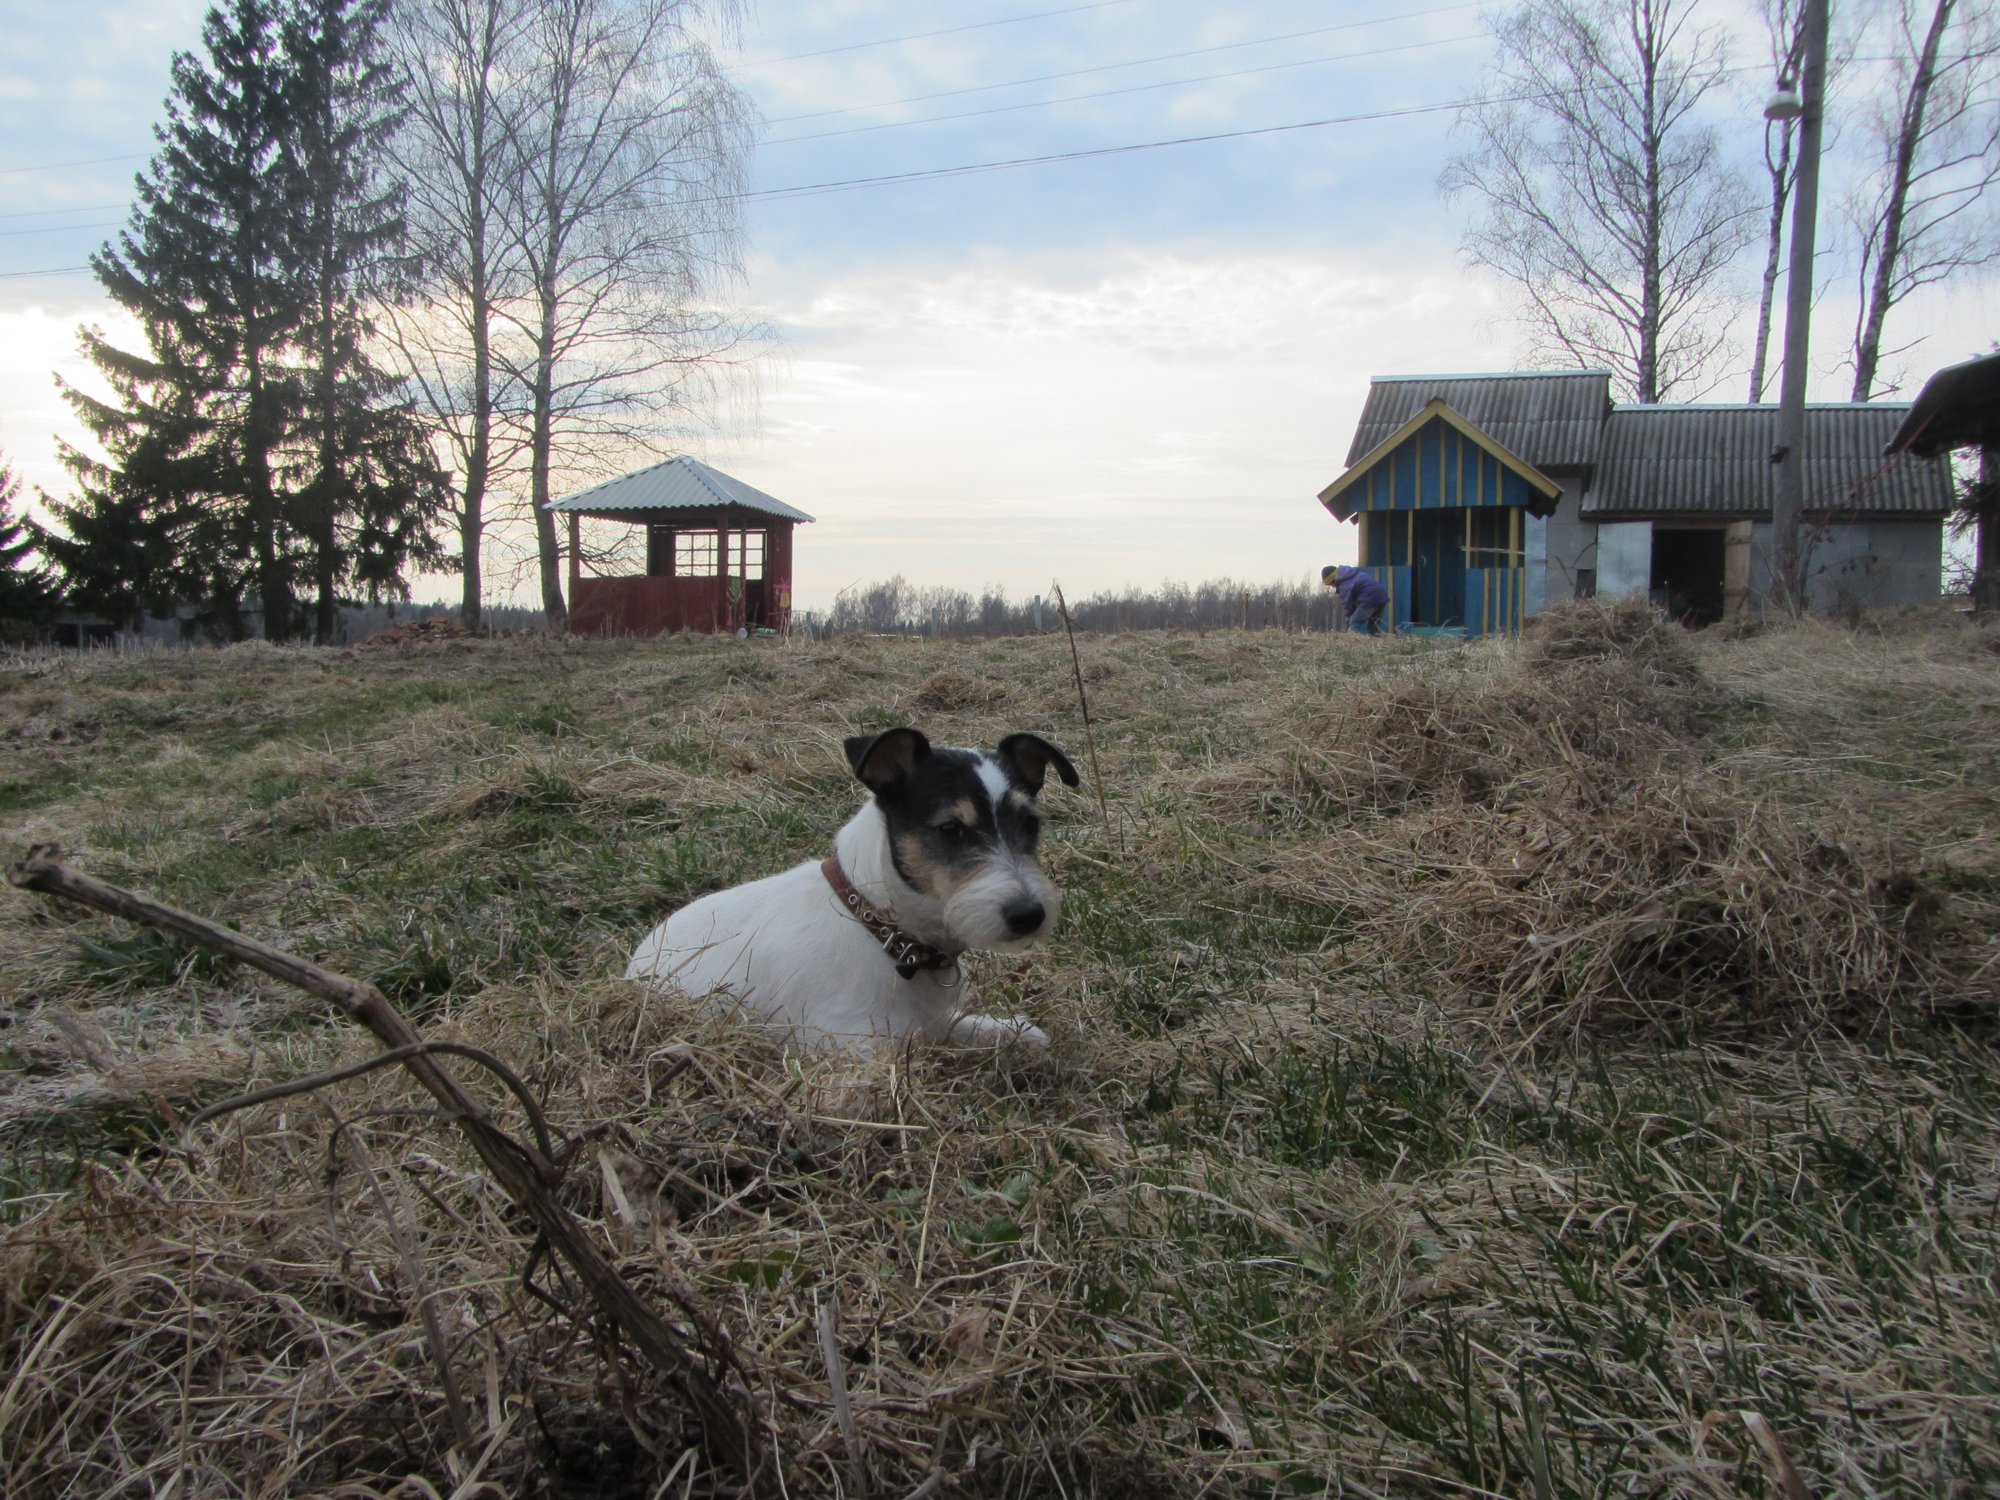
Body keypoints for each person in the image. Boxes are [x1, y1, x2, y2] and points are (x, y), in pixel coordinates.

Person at [1324, 564, 1389, 635]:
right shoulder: (1352, 575)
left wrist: (1349, 620)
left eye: (1332, 584)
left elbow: (1348, 604)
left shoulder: (1344, 585)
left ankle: (1353, 640)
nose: (1333, 586)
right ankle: (1380, 640)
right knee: (1374, 627)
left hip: (1369, 598)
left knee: (1354, 621)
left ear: (1334, 578)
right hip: (1381, 596)